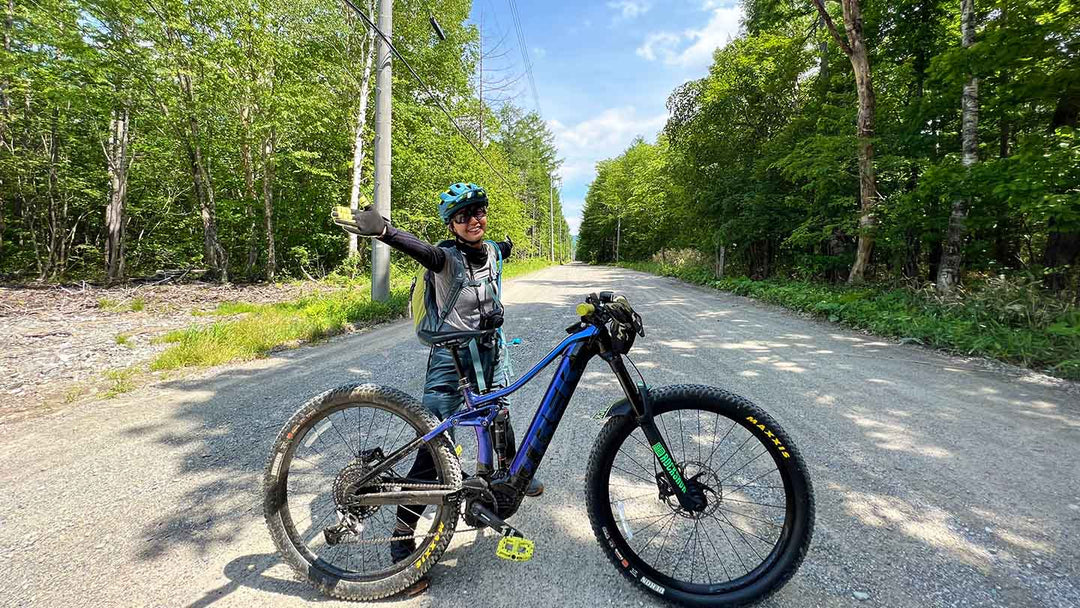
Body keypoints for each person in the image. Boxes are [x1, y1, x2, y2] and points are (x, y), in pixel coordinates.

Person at [332, 182, 543, 570]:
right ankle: (401, 536)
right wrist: (384, 230)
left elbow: (504, 248)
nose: (473, 221)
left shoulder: (494, 251)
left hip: (491, 352)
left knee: (500, 415)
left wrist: (512, 243)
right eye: (462, 217)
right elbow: (419, 249)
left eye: (478, 212)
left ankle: (513, 478)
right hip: (451, 358)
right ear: (452, 225)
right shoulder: (445, 258)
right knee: (434, 447)